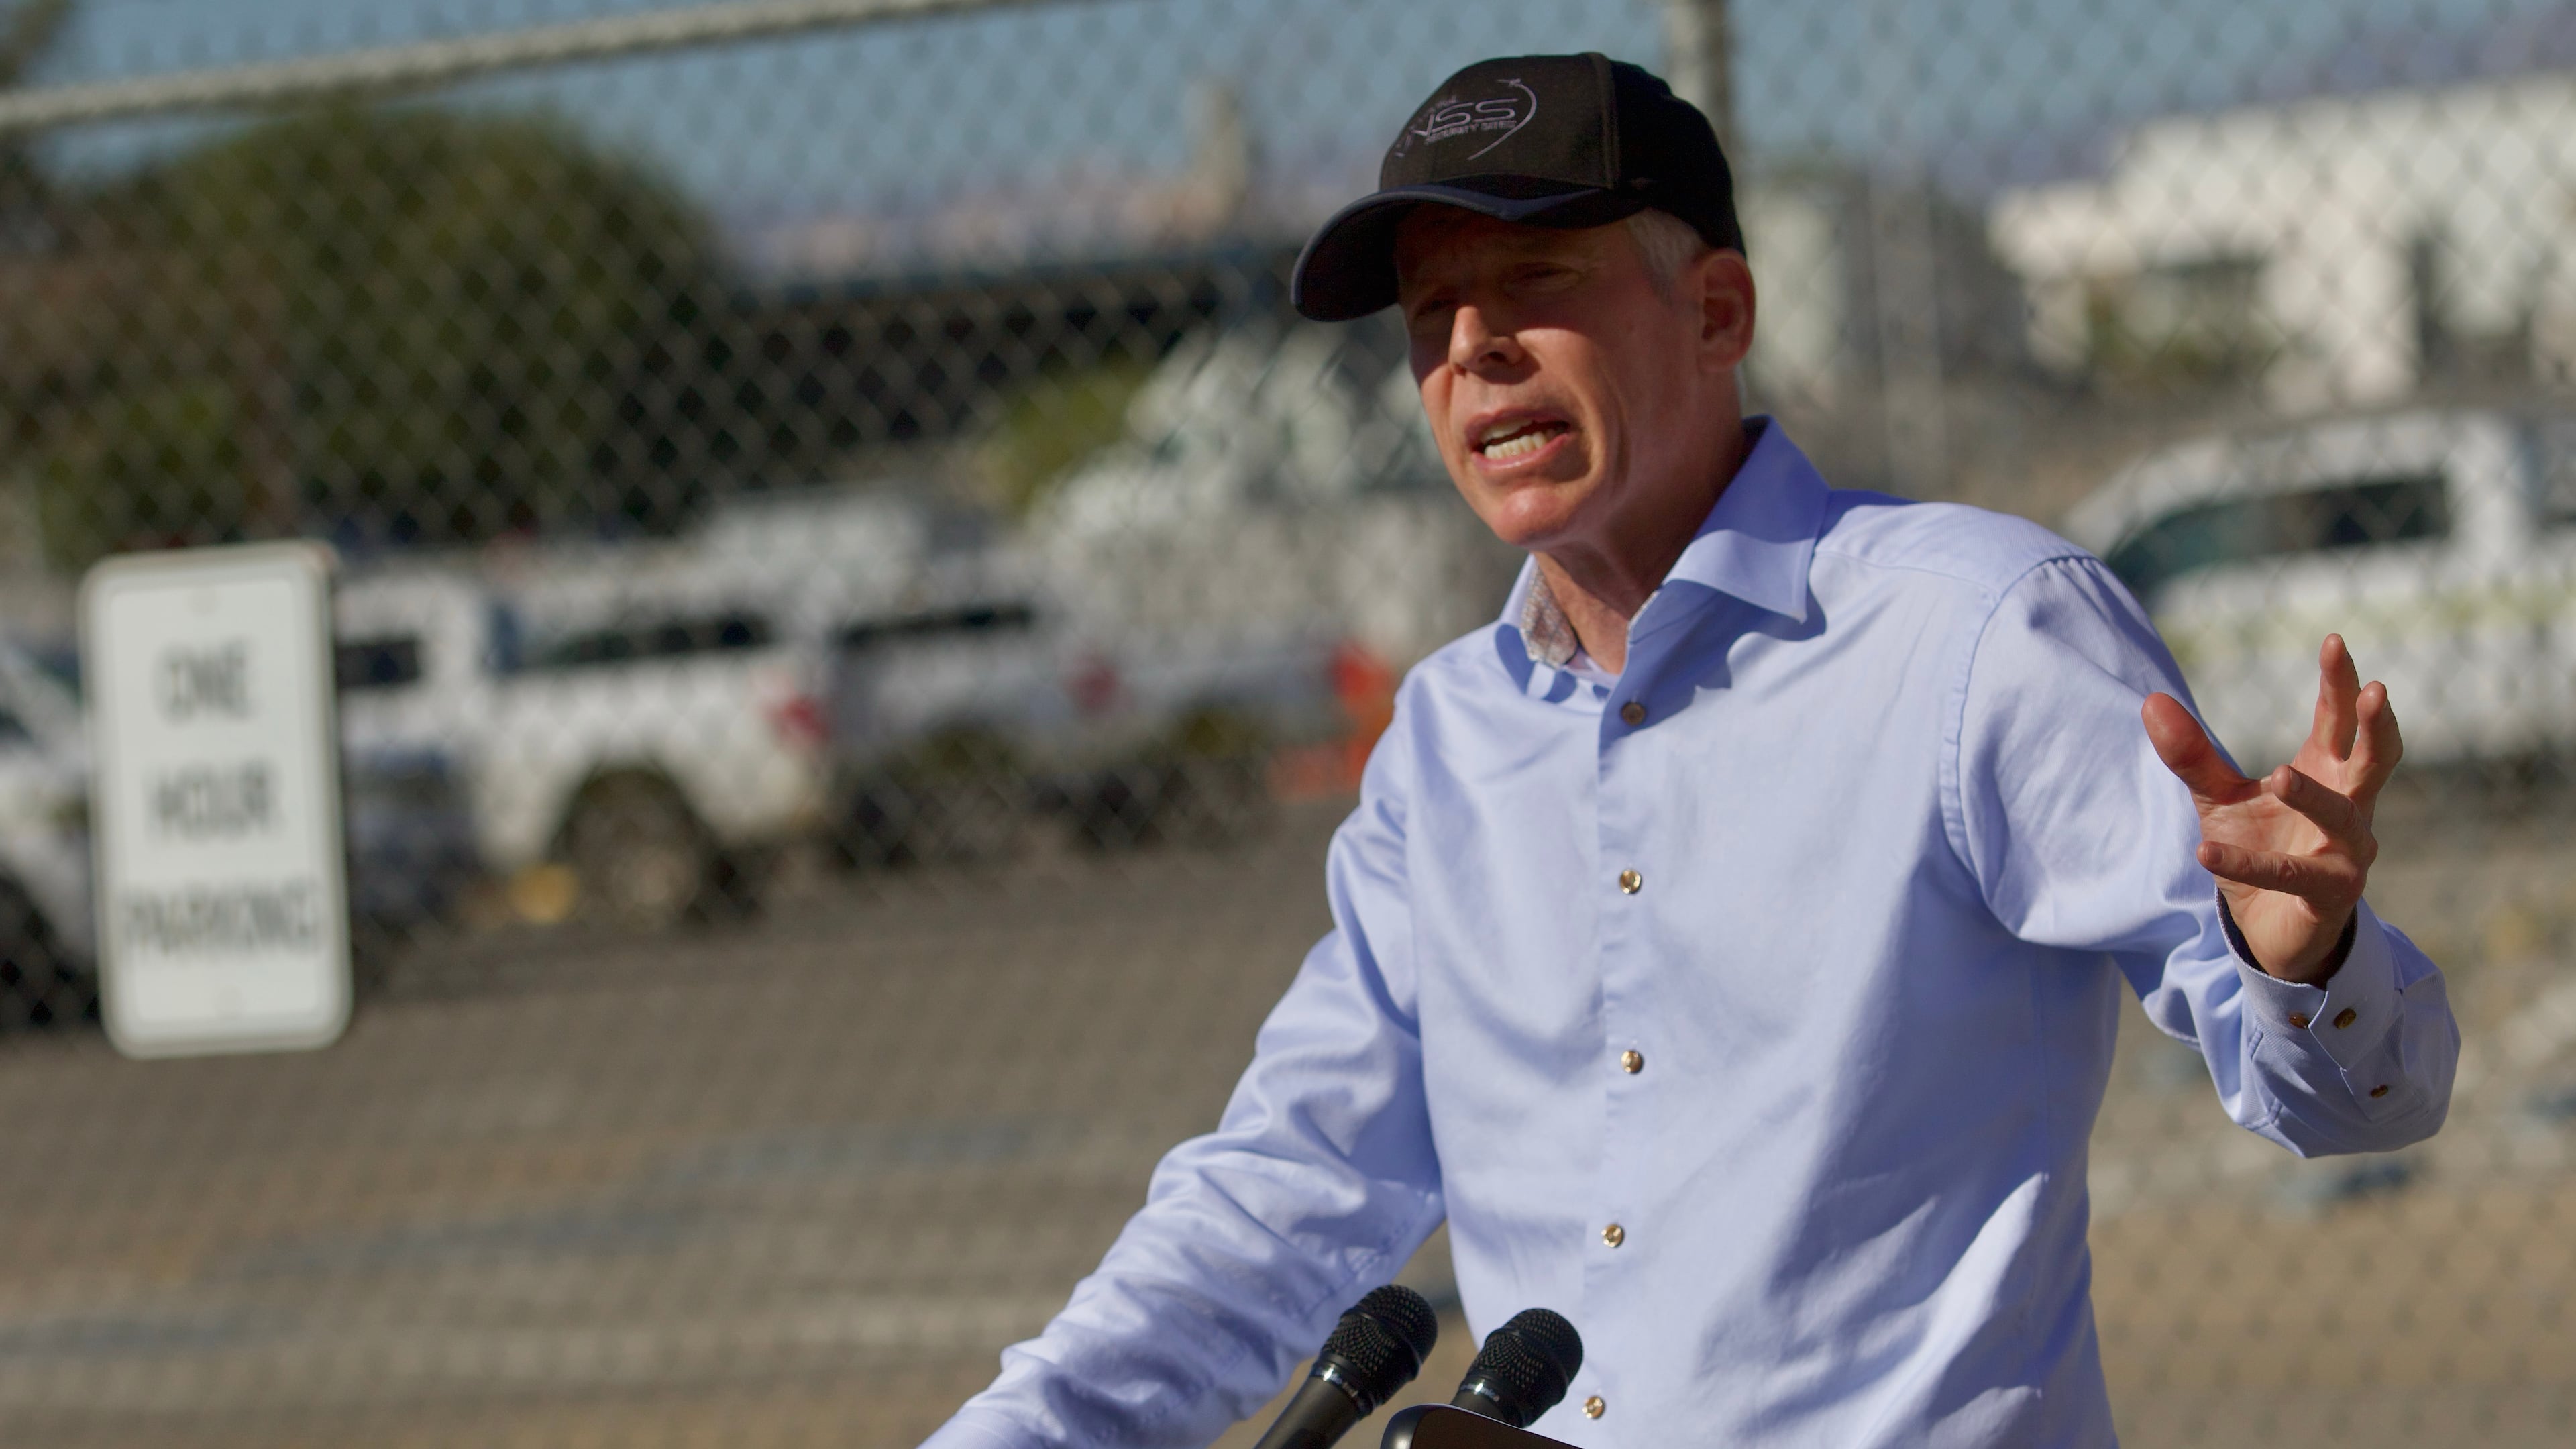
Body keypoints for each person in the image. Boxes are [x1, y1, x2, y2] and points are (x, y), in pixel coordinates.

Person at [921, 53, 2457, 1448]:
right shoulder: (1445, 746)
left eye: (1532, 282)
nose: (1473, 351)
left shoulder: (1973, 635)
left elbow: (2362, 1104)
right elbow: (1287, 1194)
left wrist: (2306, 960)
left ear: (1717, 311)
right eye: (1431, 317)